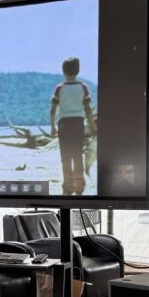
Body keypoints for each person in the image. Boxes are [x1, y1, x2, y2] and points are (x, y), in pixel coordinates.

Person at [50, 57, 96, 195]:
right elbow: (88, 109)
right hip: (78, 124)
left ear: (63, 71)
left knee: (65, 156)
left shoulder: (60, 88)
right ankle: (79, 186)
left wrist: (52, 127)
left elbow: (53, 110)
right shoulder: (83, 87)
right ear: (78, 70)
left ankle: (67, 186)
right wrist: (93, 126)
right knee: (77, 155)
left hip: (63, 124)